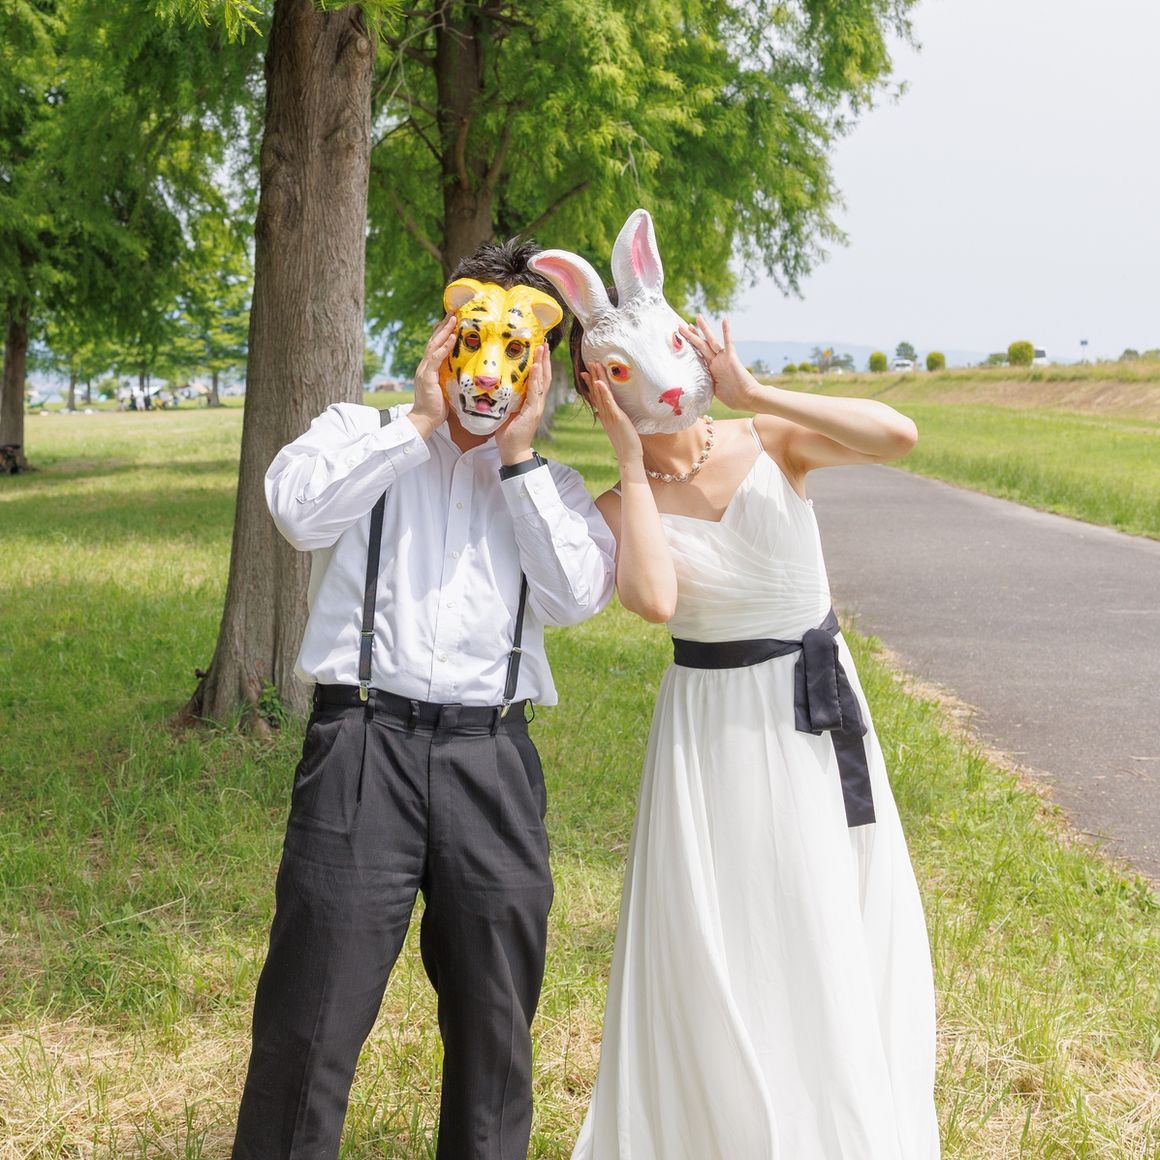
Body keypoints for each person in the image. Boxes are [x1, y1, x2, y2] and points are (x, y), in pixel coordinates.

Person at [531, 210, 939, 1159]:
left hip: (814, 709)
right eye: (623, 373)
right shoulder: (616, 505)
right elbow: (655, 600)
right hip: (711, 727)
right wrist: (631, 467)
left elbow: (899, 434)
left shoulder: (771, 441)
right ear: (598, 388)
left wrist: (753, 389)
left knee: (823, 905)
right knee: (730, 920)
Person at [232, 238, 617, 1160]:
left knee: (495, 1028)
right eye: (475, 340)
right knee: (310, 1016)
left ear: (538, 365)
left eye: (516, 352)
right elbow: (297, 514)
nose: (490, 372)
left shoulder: (553, 487)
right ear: (445, 334)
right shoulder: (356, 432)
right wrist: (415, 423)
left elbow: (575, 598)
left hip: (493, 759)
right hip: (363, 743)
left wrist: (518, 460)